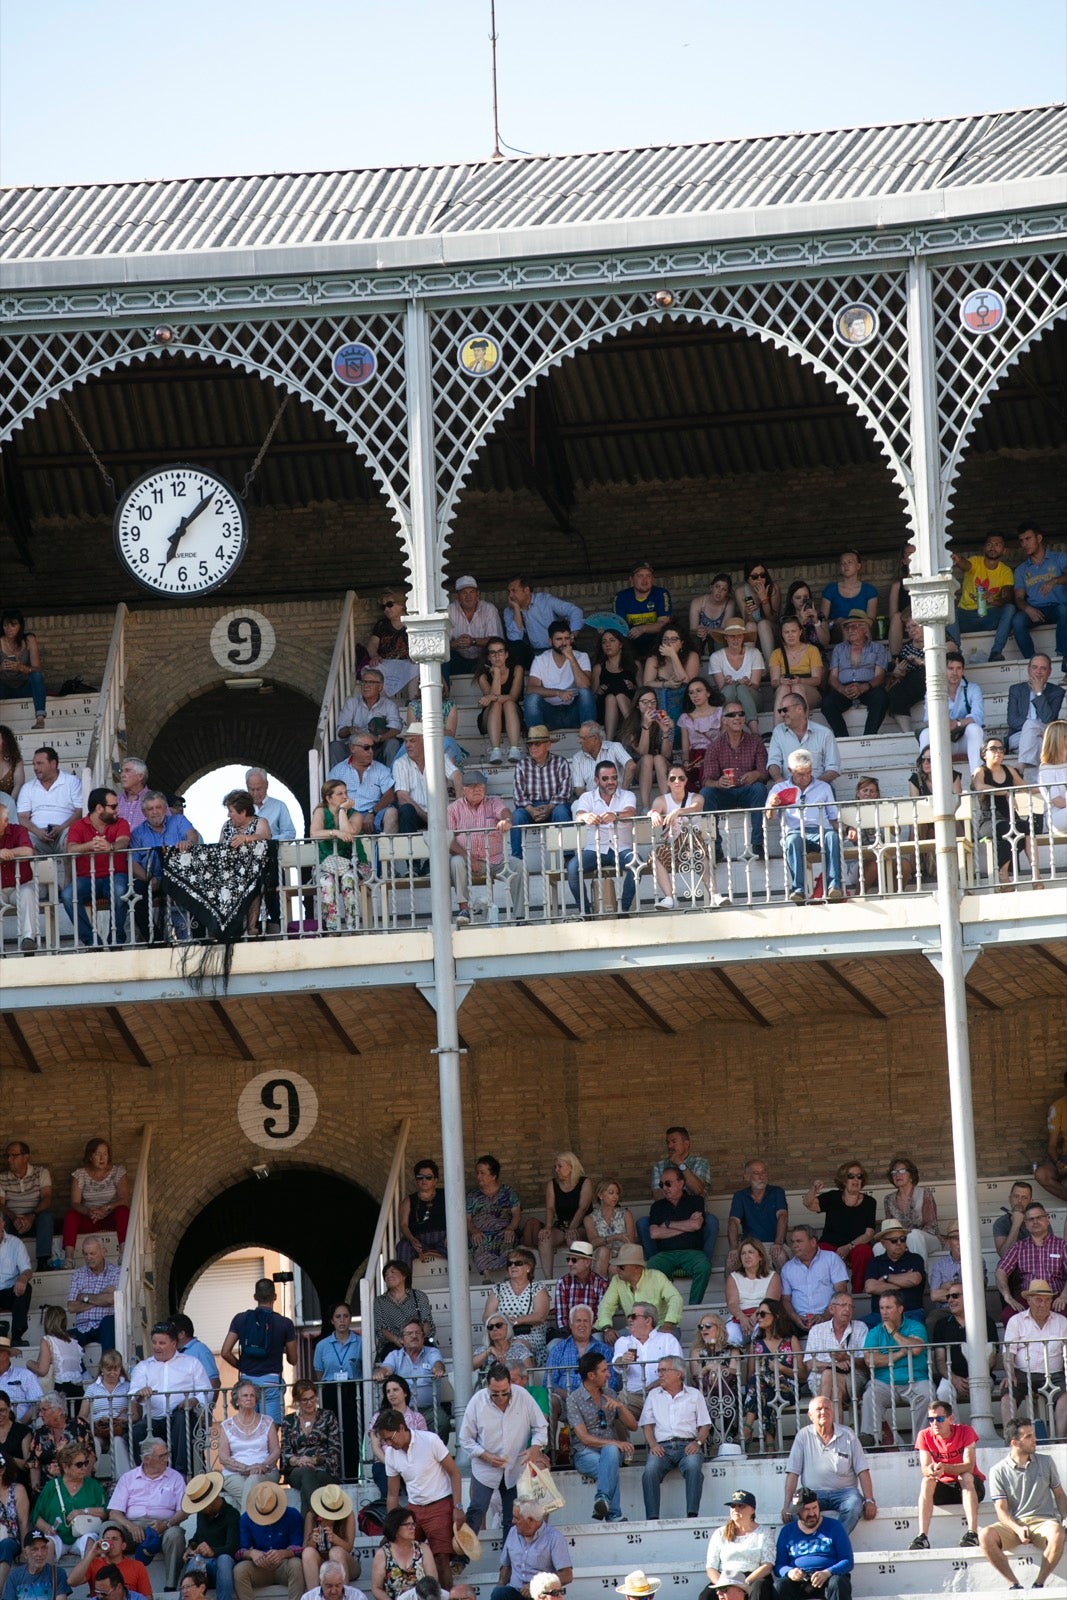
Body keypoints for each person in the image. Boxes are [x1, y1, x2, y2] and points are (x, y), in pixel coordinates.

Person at [374, 1409, 468, 1583]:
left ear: (402, 1428)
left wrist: (458, 1507)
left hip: (440, 1504)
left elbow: (455, 1473)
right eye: (385, 1440)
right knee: (395, 1551)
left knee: (441, 1558)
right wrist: (391, 1526)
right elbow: (393, 1494)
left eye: (390, 1438)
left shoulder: (430, 1440)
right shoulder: (390, 1453)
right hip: (413, 1509)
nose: (388, 1443)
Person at [458, 1363, 549, 1535]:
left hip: (515, 1467)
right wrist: (485, 1456)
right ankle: (460, 1559)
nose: (500, 1397)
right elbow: (465, 1438)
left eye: (504, 1392)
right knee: (477, 1510)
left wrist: (535, 1448)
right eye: (495, 1394)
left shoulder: (523, 1396)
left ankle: (507, 1561)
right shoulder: (477, 1401)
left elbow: (541, 1427)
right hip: (485, 1467)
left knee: (512, 1518)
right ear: (487, 1387)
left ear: (510, 1385)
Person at [981, 1421, 1067, 1590]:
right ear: (1014, 1443)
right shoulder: (997, 1471)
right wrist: (1017, 1528)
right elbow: (1001, 1510)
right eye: (1028, 1436)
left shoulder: (1046, 1461)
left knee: (1057, 1531)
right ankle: (1014, 1584)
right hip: (1014, 1524)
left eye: (1033, 1435)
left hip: (1044, 1522)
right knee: (985, 1535)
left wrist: (1066, 1517)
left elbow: (1059, 1494)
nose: (1035, 1439)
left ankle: (1039, 1583)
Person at [781, 1397, 875, 1536]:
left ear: (833, 1412)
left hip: (845, 1492)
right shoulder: (803, 1436)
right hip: (813, 1493)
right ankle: (817, 1542)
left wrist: (869, 1500)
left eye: (827, 1408)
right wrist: (786, 1505)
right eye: (819, 1409)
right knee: (794, 1511)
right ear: (810, 1415)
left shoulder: (848, 1434)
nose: (823, 1412)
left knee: (855, 1505)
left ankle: (833, 1541)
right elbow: (793, 1473)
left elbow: (862, 1470)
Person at [129, 1319, 212, 1475]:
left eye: (162, 1343)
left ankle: (180, 1472)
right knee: (137, 1431)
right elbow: (134, 1393)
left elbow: (207, 1391)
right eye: (154, 1342)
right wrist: (140, 1393)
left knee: (182, 1418)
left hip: (180, 1418)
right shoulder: (144, 1367)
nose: (156, 1347)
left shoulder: (191, 1363)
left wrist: (194, 1400)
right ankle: (146, 1474)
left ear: (174, 1343)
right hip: (154, 1420)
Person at [566, 1352, 637, 1523]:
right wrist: (614, 1442)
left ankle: (602, 1498)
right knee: (609, 1462)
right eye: (604, 1370)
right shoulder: (573, 1399)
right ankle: (613, 1514)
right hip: (584, 1453)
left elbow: (633, 1426)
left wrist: (621, 1406)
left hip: (610, 1453)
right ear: (591, 1375)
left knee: (610, 1454)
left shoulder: (610, 1393)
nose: (609, 1374)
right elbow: (583, 1438)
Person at [905, 1397, 985, 1551]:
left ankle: (972, 1533)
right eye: (931, 1419)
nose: (935, 1423)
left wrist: (945, 1468)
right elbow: (925, 1468)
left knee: (965, 1476)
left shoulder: (966, 1431)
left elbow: (968, 1465)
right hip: (944, 1489)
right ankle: (922, 1537)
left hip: (971, 1487)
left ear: (950, 1419)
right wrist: (932, 1470)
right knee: (927, 1480)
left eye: (940, 1418)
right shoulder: (924, 1435)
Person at [107, 1438, 188, 1590]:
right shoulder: (128, 1478)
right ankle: (111, 1584)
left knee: (176, 1534)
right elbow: (114, 1513)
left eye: (167, 1454)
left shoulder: (175, 1477)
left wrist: (167, 1524)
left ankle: (170, 1587)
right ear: (146, 1459)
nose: (166, 1459)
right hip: (132, 1528)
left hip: (163, 1528)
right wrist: (129, 1526)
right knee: (108, 1527)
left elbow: (184, 1511)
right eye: (162, 1456)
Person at [766, 751, 844, 904]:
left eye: (808, 773)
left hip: (820, 830)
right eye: (800, 774)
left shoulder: (824, 787)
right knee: (793, 840)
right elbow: (769, 817)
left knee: (832, 836)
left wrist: (846, 829)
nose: (805, 777)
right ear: (790, 771)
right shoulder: (779, 788)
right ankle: (798, 889)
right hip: (794, 831)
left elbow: (834, 818)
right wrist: (772, 805)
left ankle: (834, 886)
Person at [639, 1356, 710, 1520]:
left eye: (664, 1370)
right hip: (662, 1448)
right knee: (650, 1471)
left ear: (679, 1373)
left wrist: (697, 1442)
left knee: (693, 1466)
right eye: (659, 1370)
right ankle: (652, 1518)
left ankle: (692, 1514)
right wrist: (653, 1445)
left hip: (687, 1446)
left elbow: (705, 1425)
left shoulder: (694, 1394)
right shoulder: (653, 1395)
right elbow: (647, 1425)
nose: (660, 1374)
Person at [698, 700, 770, 860]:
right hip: (724, 793)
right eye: (732, 715)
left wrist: (756, 774)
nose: (737, 718)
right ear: (724, 720)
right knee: (706, 793)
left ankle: (758, 843)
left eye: (741, 714)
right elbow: (706, 780)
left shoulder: (756, 742)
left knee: (759, 789)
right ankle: (714, 846)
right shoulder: (715, 746)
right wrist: (718, 783)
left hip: (747, 791)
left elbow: (765, 774)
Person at [60, 786, 131, 948]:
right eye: (113, 807)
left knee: (120, 891)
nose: (117, 810)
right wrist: (91, 845)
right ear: (99, 808)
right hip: (86, 879)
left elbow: (123, 841)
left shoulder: (121, 822)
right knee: (67, 895)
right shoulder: (78, 826)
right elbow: (71, 849)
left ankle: (116, 939)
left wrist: (110, 847)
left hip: (115, 875)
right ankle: (92, 941)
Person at [221, 1278, 297, 1426]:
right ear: (275, 1297)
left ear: (255, 1297)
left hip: (247, 1383)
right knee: (270, 1430)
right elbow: (293, 1360)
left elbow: (225, 1352)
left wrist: (242, 1366)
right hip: (271, 1382)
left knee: (248, 1427)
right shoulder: (285, 1324)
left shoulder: (240, 1319)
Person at [446, 771, 518, 927]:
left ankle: (521, 916)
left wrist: (506, 820)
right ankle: (464, 909)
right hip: (468, 862)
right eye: (472, 787)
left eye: (480, 786)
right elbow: (450, 841)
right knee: (456, 861)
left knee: (518, 865)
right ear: (464, 789)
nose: (477, 790)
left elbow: (505, 812)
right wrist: (468, 858)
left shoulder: (494, 802)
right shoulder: (453, 809)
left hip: (496, 860)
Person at [567, 762, 638, 916]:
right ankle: (585, 912)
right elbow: (579, 814)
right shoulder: (587, 797)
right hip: (595, 850)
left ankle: (623, 910)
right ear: (596, 781)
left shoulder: (627, 795)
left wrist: (616, 815)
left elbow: (631, 813)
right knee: (573, 868)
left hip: (621, 849)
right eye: (605, 778)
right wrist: (586, 816)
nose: (610, 782)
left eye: (613, 777)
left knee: (636, 864)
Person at [860, 1291, 930, 1445]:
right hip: (884, 1383)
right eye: (882, 1308)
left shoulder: (915, 1326)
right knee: (870, 1396)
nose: (884, 1312)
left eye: (889, 1308)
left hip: (915, 1380)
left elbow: (916, 1349)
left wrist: (893, 1332)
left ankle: (920, 1444)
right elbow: (870, 1360)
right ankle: (872, 1442)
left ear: (900, 1309)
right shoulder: (875, 1332)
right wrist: (901, 1353)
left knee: (927, 1393)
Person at [130, 790, 199, 943]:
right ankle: (155, 939)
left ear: (165, 808)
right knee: (135, 893)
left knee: (197, 888)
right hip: (153, 879)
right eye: (150, 809)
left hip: (179, 876)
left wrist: (188, 842)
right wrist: (149, 878)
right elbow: (133, 863)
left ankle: (196, 937)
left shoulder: (178, 821)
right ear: (144, 812)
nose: (155, 812)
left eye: (158, 807)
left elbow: (192, 834)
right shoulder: (137, 833)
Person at [1001, 1278, 1067, 1436]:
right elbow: (1009, 1352)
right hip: (1022, 1374)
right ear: (1028, 1300)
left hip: (1054, 1374)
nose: (1043, 1304)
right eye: (1038, 1300)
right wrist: (1010, 1373)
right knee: (1006, 1397)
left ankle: (1060, 1440)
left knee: (1066, 1397)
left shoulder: (1062, 1322)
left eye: (1047, 1300)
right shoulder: (1016, 1321)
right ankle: (1011, 1440)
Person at [803, 1161, 876, 1294]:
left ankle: (858, 1292)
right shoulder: (833, 1197)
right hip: (831, 1245)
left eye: (859, 1176)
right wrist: (814, 1189)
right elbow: (809, 1204)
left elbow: (869, 1234)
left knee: (864, 1251)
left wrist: (848, 1247)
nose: (855, 1180)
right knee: (821, 1252)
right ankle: (824, 1293)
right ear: (843, 1180)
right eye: (851, 1176)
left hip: (855, 1245)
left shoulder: (870, 1202)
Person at [772, 1487, 854, 1599]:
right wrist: (789, 1572)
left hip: (828, 1579)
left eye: (815, 1508)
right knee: (779, 1586)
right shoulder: (787, 1531)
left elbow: (847, 1561)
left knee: (838, 1582)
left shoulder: (834, 1526)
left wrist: (827, 1572)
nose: (812, 1513)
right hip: (798, 1582)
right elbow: (779, 1565)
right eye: (806, 1509)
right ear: (797, 1511)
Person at [649, 764, 713, 909]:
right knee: (655, 855)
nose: (677, 781)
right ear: (667, 782)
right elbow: (655, 808)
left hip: (694, 846)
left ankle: (714, 894)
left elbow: (696, 806)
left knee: (695, 845)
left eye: (681, 778)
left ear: (686, 781)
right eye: (673, 778)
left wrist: (679, 811)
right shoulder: (662, 799)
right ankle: (669, 897)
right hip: (673, 848)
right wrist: (653, 813)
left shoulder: (695, 797)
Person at [645, 1165, 711, 1304]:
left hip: (692, 1253)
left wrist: (668, 1224)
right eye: (661, 1184)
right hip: (666, 1255)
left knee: (704, 1266)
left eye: (668, 1183)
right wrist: (686, 1225)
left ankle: (694, 1306)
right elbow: (654, 1233)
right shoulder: (657, 1206)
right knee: (649, 1267)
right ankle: (662, 1309)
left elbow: (696, 1225)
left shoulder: (696, 1201)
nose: (664, 1188)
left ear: (681, 1183)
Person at [373, 1321, 450, 1440]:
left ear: (423, 1337)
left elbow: (438, 1363)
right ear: (402, 1339)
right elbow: (386, 1368)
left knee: (442, 1422)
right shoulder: (395, 1355)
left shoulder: (431, 1352)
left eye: (417, 1333)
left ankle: (435, 1456)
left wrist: (438, 1368)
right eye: (409, 1333)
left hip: (429, 1409)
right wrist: (381, 1373)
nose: (414, 1336)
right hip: (402, 1409)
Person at [741, 1301, 801, 1450]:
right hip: (763, 1390)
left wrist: (781, 1368)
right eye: (757, 1314)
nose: (758, 1318)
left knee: (759, 1378)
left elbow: (803, 1373)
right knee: (765, 1392)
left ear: (777, 1316)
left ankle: (747, 1428)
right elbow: (749, 1377)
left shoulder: (790, 1340)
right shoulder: (756, 1344)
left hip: (788, 1388)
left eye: (762, 1314)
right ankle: (770, 1446)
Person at [948, 531, 1017, 658]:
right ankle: (956, 652)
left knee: (1010, 608)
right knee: (949, 608)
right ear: (984, 548)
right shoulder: (975, 562)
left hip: (989, 616)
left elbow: (1008, 598)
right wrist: (958, 560)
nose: (992, 547)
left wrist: (993, 601)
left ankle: (996, 652)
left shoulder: (1006, 571)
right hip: (967, 616)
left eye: (997, 545)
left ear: (1004, 550)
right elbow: (965, 565)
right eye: (989, 544)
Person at [545, 1304, 614, 1432]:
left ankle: (622, 1448)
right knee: (551, 1402)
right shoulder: (559, 1349)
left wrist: (596, 1394)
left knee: (617, 1401)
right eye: (578, 1321)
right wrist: (569, 1396)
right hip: (566, 1400)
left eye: (586, 1321)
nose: (582, 1324)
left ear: (592, 1324)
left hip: (598, 1400)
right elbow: (548, 1382)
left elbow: (614, 1381)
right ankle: (550, 1450)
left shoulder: (603, 1349)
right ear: (571, 1324)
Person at [818, 614, 888, 739]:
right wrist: (841, 689)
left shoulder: (877, 648)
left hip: (868, 686)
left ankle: (869, 737)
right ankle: (843, 738)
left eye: (854, 627)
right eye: (847, 628)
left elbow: (880, 676)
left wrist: (864, 687)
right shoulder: (839, 649)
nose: (850, 630)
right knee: (827, 703)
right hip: (844, 688)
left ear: (865, 628)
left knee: (881, 698)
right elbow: (832, 677)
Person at [1011, 518, 1067, 673]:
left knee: (1065, 611)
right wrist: (1027, 608)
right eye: (1021, 541)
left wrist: (1055, 581)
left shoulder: (1059, 558)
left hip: (1058, 607)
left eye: (1028, 539)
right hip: (1035, 610)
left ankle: (1064, 657)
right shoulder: (1021, 570)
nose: (1024, 544)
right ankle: (1033, 663)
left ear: (1039, 538)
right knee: (1017, 620)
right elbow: (1019, 597)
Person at [32, 1438, 105, 1558]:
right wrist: (47, 1528)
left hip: (84, 1534)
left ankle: (88, 1576)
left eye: (86, 1463)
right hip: (57, 1536)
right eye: (79, 1465)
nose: (84, 1468)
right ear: (65, 1467)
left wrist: (82, 1511)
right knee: (47, 1544)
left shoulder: (93, 1485)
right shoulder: (52, 1487)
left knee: (91, 1543)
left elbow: (105, 1511)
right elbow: (36, 1516)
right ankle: (48, 1577)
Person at [594, 1245, 683, 1340]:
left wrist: (668, 1323)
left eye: (621, 1267)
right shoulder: (617, 1280)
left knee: (667, 1339)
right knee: (598, 1338)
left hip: (659, 1328)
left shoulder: (657, 1277)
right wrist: (607, 1328)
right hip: (632, 1331)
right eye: (617, 1266)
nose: (617, 1269)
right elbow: (606, 1306)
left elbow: (675, 1298)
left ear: (636, 1268)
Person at [509, 728, 572, 862]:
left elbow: (565, 792)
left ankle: (568, 857)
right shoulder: (522, 765)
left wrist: (550, 806)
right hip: (531, 806)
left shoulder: (560, 762)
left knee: (561, 811)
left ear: (548, 745)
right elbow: (518, 794)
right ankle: (516, 859)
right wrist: (530, 809)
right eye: (530, 744)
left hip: (554, 805)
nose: (533, 748)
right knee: (517, 816)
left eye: (537, 744)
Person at [215, 1380, 279, 1512]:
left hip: (265, 1472)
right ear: (236, 1400)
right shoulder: (227, 1425)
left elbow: (276, 1451)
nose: (249, 1398)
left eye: (252, 1395)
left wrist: (263, 1466)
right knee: (255, 1494)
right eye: (245, 1395)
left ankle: (245, 1529)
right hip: (234, 1475)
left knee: (253, 1480)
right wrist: (247, 1468)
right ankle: (254, 1528)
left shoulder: (268, 1422)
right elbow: (223, 1457)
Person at [801, 1293, 869, 1416]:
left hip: (852, 1378)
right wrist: (833, 1365)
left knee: (829, 1376)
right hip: (818, 1380)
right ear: (832, 1309)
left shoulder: (860, 1327)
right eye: (843, 1305)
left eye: (850, 1306)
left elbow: (866, 1361)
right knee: (835, 1392)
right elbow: (810, 1364)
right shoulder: (817, 1330)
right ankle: (836, 1432)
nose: (847, 1309)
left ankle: (819, 1417)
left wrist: (846, 1357)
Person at [233, 1481, 304, 1600]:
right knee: (239, 1571)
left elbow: (300, 1547)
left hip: (284, 1564)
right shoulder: (246, 1518)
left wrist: (283, 1553)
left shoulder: (292, 1515)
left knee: (296, 1565)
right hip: (260, 1566)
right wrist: (251, 1553)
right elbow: (239, 1551)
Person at [995, 1199, 1067, 1314]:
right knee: (1007, 1315)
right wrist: (1007, 1296)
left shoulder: (1062, 1245)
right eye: (1031, 1219)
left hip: (1055, 1298)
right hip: (1029, 1299)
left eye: (1039, 1217)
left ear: (1047, 1220)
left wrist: (1064, 1296)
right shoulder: (1019, 1247)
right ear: (1026, 1224)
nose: (1035, 1222)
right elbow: (1001, 1270)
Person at [918, 651, 985, 775]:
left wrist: (957, 723)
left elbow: (978, 717)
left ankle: (977, 778)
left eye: (958, 668)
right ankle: (927, 779)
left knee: (975, 729)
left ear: (963, 671)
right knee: (926, 734)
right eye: (950, 668)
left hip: (965, 739)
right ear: (944, 670)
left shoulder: (972, 688)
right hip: (944, 740)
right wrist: (943, 724)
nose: (955, 672)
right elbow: (928, 720)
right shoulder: (933, 691)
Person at [700, 1490, 775, 1600]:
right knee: (706, 1596)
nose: (736, 1509)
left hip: (753, 1578)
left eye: (741, 1506)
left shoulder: (764, 1532)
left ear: (753, 1510)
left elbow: (767, 1565)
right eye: (733, 1506)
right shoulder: (720, 1533)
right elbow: (711, 1567)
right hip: (725, 1577)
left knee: (759, 1589)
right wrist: (724, 1586)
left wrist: (743, 1584)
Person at [523, 620, 595, 732]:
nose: (564, 643)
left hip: (574, 712)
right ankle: (537, 741)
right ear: (550, 641)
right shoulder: (540, 659)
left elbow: (585, 685)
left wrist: (571, 658)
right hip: (551, 714)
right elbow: (531, 689)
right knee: (532, 699)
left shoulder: (581, 656)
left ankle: (589, 735)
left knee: (585, 693)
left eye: (567, 638)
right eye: (559, 639)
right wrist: (558, 692)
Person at [483, 1249, 551, 1369]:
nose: (513, 1266)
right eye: (510, 1264)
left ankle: (520, 1382)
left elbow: (540, 1316)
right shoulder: (499, 1289)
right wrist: (503, 1323)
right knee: (491, 1348)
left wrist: (516, 1321)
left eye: (518, 1263)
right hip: (503, 1335)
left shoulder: (537, 1288)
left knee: (517, 1346)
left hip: (530, 1334)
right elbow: (486, 1317)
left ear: (528, 1268)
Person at [280, 1381, 341, 1516]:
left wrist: (314, 1460)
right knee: (306, 1473)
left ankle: (308, 1529)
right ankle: (321, 1515)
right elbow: (285, 1452)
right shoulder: (288, 1421)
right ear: (297, 1401)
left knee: (307, 1483)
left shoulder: (327, 1416)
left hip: (324, 1469)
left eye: (312, 1398)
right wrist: (297, 1461)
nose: (309, 1403)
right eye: (305, 1400)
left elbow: (335, 1450)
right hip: (297, 1470)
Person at [178, 1472, 240, 1600]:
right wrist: (191, 1547)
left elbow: (233, 1547)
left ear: (211, 1501)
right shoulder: (203, 1515)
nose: (199, 1510)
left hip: (224, 1569)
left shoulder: (232, 1514)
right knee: (195, 1560)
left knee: (224, 1559)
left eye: (202, 1506)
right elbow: (197, 1536)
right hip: (204, 1568)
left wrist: (213, 1551)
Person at [492, 1501, 571, 1600]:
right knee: (499, 1593)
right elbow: (506, 1567)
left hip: (541, 1593)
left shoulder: (554, 1538)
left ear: (530, 1520)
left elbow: (567, 1575)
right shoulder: (512, 1532)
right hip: (515, 1592)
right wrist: (500, 1586)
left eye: (516, 1518)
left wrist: (537, 1585)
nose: (512, 1521)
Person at [16, 746, 82, 863]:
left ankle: (67, 881)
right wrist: (37, 832)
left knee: (71, 837)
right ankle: (41, 881)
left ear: (53, 764)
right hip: (38, 834)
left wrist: (61, 828)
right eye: (34, 764)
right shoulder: (28, 787)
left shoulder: (72, 781)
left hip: (64, 831)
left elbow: (80, 811)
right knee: (26, 844)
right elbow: (22, 817)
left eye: (40, 763)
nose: (35, 768)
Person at [612, 1303, 684, 1409]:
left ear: (648, 1320)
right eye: (629, 1317)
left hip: (664, 1393)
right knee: (621, 1401)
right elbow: (616, 1362)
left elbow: (679, 1368)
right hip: (634, 1397)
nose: (630, 1320)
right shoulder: (623, 1341)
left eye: (634, 1316)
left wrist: (659, 1383)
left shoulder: (668, 1340)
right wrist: (622, 1360)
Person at [780, 1227, 848, 1336]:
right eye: (792, 1242)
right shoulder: (787, 1268)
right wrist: (796, 1319)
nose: (794, 1245)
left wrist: (825, 1316)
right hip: (799, 1323)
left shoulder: (831, 1259)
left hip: (831, 1318)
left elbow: (841, 1292)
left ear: (813, 1242)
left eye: (799, 1241)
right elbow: (785, 1300)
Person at [504, 577, 584, 670]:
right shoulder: (509, 611)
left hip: (557, 648)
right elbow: (515, 639)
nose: (510, 596)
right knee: (516, 648)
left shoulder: (545, 600)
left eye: (514, 591)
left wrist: (573, 636)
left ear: (526, 590)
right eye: (508, 592)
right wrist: (516, 609)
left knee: (574, 653)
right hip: (533, 654)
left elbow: (575, 611)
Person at [325, 737, 398, 837]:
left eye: (373, 748)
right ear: (352, 748)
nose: (371, 751)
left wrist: (372, 812)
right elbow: (330, 797)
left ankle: (388, 851)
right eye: (366, 748)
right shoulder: (338, 771)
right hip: (347, 813)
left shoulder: (381, 769)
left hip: (373, 814)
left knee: (392, 812)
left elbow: (390, 796)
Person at [688, 1314, 741, 1447]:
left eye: (708, 1326)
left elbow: (736, 1372)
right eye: (701, 1327)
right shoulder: (697, 1351)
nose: (703, 1329)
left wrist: (720, 1368)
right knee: (703, 1399)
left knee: (728, 1394)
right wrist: (708, 1368)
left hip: (728, 1390)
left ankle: (729, 1439)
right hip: (704, 1390)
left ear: (719, 1329)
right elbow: (695, 1374)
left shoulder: (732, 1350)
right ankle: (706, 1441)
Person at [727, 1161, 789, 1272]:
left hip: (773, 1244)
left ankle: (786, 1290)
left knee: (780, 1256)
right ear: (746, 1177)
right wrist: (733, 1248)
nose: (762, 1176)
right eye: (756, 1173)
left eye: (764, 1172)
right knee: (731, 1261)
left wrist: (778, 1243)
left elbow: (783, 1216)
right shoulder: (740, 1196)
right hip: (750, 1245)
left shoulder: (777, 1192)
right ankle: (730, 1289)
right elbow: (733, 1222)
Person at [466, 1155, 522, 1279]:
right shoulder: (472, 1196)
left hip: (504, 1231)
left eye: (482, 1173)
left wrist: (511, 1228)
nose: (478, 1176)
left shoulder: (507, 1192)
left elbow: (517, 1214)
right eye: (477, 1173)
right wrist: (474, 1231)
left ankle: (509, 1276)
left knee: (507, 1244)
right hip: (481, 1233)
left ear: (493, 1175)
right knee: (479, 1244)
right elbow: (467, 1219)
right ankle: (487, 1277)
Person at [0, 1143, 52, 1273]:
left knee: (46, 1216)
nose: (9, 1159)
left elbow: (47, 1198)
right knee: (1, 1220)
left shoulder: (41, 1173)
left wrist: (31, 1216)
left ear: (26, 1157)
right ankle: (5, 1263)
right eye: (8, 1156)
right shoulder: (2, 1178)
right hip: (12, 1222)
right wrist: (14, 1217)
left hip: (34, 1221)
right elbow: (0, 1204)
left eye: (14, 1155)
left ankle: (43, 1262)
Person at [79, 1350, 132, 1479]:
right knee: (94, 1442)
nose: (112, 1373)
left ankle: (123, 1480)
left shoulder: (128, 1387)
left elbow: (136, 1414)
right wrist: (95, 1423)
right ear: (102, 1369)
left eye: (116, 1369)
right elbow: (82, 1416)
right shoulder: (92, 1389)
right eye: (109, 1369)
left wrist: (121, 1421)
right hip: (98, 1430)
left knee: (118, 1441)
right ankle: (88, 1478)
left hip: (121, 1430)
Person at [618, 689, 674, 810]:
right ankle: (646, 807)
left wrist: (665, 732)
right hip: (639, 769)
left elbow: (667, 754)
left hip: (661, 767)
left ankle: (668, 804)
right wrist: (645, 727)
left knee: (658, 758)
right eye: (645, 702)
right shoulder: (630, 724)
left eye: (653, 702)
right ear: (637, 705)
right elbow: (642, 752)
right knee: (648, 758)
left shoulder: (664, 720)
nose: (650, 706)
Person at [766, 696, 841, 786]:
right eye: (780, 711)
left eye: (785, 710)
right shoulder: (778, 731)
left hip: (819, 787)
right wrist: (779, 780)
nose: (782, 714)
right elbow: (773, 762)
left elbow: (833, 769)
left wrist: (813, 786)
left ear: (799, 709)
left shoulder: (825, 733)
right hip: (788, 787)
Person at [1007, 653, 1065, 768]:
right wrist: (1030, 727)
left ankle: (1021, 767)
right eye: (1034, 667)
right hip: (1020, 736)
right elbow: (1012, 720)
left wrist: (1039, 693)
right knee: (1036, 737)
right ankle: (1039, 779)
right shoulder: (1016, 690)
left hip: (1045, 734)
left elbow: (1048, 719)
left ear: (1049, 672)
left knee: (1034, 729)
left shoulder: (1057, 692)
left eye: (1043, 668)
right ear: (1029, 670)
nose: (1038, 671)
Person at [67, 1520, 152, 1598]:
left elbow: (147, 1597)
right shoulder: (94, 1564)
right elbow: (72, 1581)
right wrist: (92, 1553)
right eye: (106, 1539)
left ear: (123, 1546)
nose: (110, 1542)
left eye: (114, 1539)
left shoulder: (137, 1566)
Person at [335, 671, 404, 767]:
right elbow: (340, 732)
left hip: (378, 747)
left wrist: (379, 738)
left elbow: (396, 729)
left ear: (380, 687)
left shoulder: (389, 705)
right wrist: (351, 730)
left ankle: (391, 780)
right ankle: (337, 780)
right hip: (356, 746)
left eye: (370, 682)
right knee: (335, 746)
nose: (366, 686)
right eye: (364, 682)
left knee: (393, 743)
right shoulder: (351, 703)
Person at [369, 1506, 437, 1600]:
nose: (412, 1528)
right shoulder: (383, 1554)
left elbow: (433, 1581)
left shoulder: (423, 1549)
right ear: (395, 1527)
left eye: (413, 1524)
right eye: (407, 1524)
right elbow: (376, 1588)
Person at [881, 1152, 940, 1259]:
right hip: (900, 1240)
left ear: (911, 1175)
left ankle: (920, 1274)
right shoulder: (888, 1199)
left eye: (902, 1171)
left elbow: (931, 1226)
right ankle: (887, 1274)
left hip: (928, 1238)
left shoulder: (923, 1194)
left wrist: (907, 1240)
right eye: (894, 1172)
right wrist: (901, 1241)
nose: (897, 1175)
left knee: (914, 1236)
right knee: (878, 1247)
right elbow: (889, 1228)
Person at [863, 1226, 926, 1325]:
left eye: (902, 1239)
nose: (899, 1243)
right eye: (894, 1241)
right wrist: (904, 1283)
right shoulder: (876, 1262)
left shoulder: (915, 1258)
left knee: (916, 1331)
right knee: (856, 1327)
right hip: (879, 1316)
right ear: (883, 1243)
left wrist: (886, 1278)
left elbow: (915, 1279)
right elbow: (870, 1287)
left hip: (910, 1314)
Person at [709, 620, 764, 733]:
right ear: (726, 638)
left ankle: (755, 733)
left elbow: (756, 684)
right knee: (730, 688)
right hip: (729, 698)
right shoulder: (716, 657)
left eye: (739, 636)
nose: (735, 639)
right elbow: (721, 688)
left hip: (752, 699)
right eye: (732, 636)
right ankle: (726, 732)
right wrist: (727, 683)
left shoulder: (754, 653)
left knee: (741, 688)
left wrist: (748, 683)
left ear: (743, 637)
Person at [475, 638, 524, 764]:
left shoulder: (517, 669)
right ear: (488, 657)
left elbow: (513, 696)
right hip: (490, 717)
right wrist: (496, 674)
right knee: (496, 704)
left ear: (506, 654)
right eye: (493, 653)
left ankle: (514, 749)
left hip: (512, 713)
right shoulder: (483, 676)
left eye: (500, 652)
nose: (497, 656)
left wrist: (492, 697)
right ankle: (495, 750)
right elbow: (492, 701)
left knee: (507, 703)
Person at [725, 1237, 781, 1348]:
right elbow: (732, 1303)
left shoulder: (773, 1276)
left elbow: (770, 1302)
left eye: (751, 1252)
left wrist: (754, 1318)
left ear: (760, 1256)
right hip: (739, 1318)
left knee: (760, 1335)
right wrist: (742, 1318)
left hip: (764, 1317)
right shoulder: (733, 1277)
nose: (747, 1256)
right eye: (743, 1253)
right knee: (729, 1336)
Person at [372, 1263, 434, 1362]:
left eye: (393, 1272)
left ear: (404, 1276)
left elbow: (427, 1321)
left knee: (431, 1354)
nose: (388, 1276)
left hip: (418, 1340)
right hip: (394, 1345)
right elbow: (381, 1328)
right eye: (386, 1274)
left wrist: (417, 1339)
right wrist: (398, 1340)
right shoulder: (380, 1301)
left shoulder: (418, 1296)